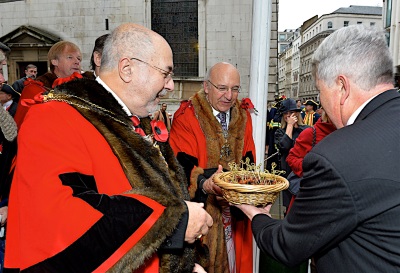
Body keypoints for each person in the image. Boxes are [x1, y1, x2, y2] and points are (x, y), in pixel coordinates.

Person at [5, 23, 213, 273]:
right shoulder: (53, 118)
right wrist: (173, 223)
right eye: (165, 74)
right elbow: (60, 224)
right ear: (127, 69)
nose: (169, 85)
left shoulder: (132, 118)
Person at [236, 25, 400, 273]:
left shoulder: (337, 155)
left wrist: (256, 215)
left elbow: (288, 246)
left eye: (322, 92)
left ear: (342, 87)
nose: (322, 103)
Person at [169, 62, 256, 273]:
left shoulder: (243, 117)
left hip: (235, 214)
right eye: (222, 88)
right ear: (206, 86)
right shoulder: (187, 116)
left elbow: (249, 160)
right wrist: (205, 182)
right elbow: (180, 168)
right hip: (202, 212)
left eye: (235, 89)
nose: (229, 95)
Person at [13, 41, 82, 128]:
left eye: (79, 59)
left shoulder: (84, 89)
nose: (77, 62)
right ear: (54, 61)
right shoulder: (34, 89)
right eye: (70, 57)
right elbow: (20, 126)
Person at [274, 98, 309, 209]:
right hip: (287, 172)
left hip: (302, 172)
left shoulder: (306, 130)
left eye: (291, 113)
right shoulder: (280, 132)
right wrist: (289, 126)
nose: (288, 116)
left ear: (297, 114)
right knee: (288, 207)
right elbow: (284, 146)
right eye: (286, 113)